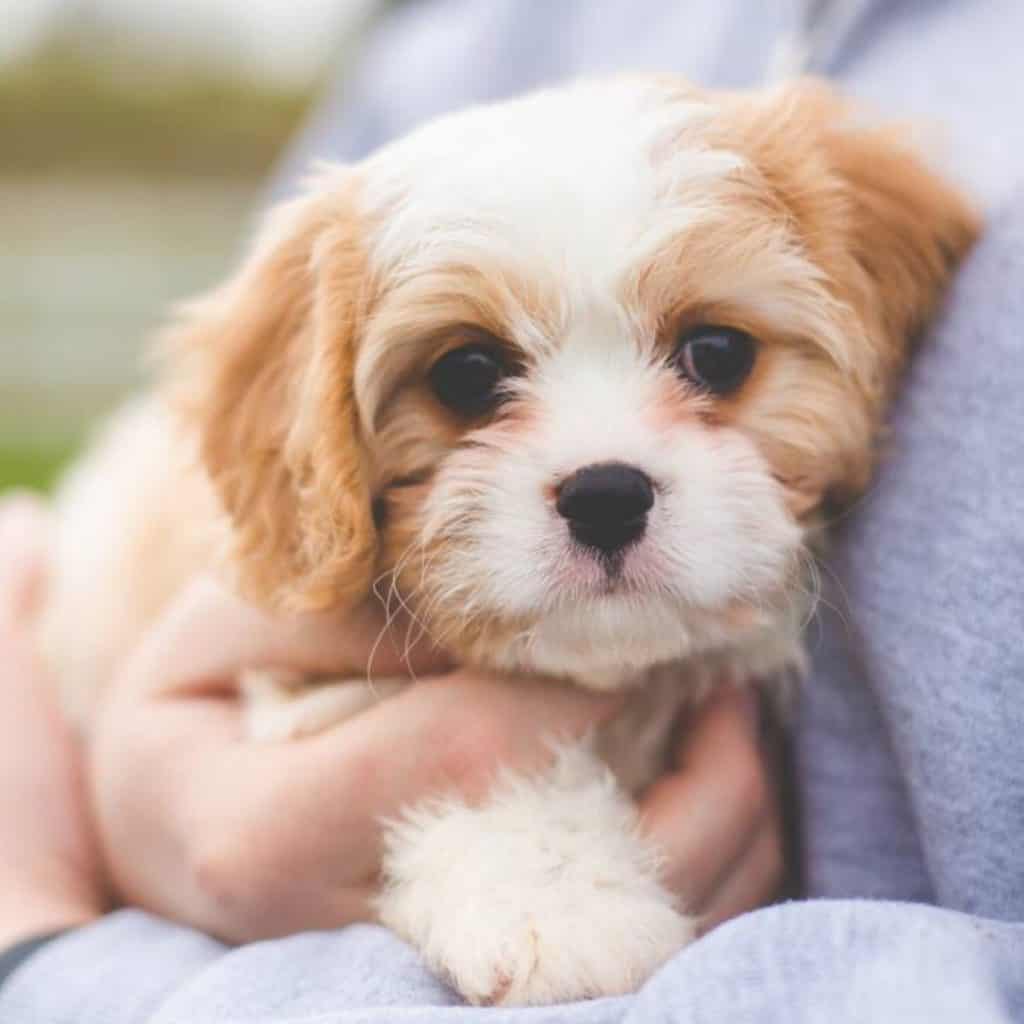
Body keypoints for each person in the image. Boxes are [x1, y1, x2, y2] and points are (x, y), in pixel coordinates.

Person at [2, 1, 1023, 1020]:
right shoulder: (471, 42)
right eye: (469, 377)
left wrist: (52, 966)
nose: (603, 468)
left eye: (712, 356)